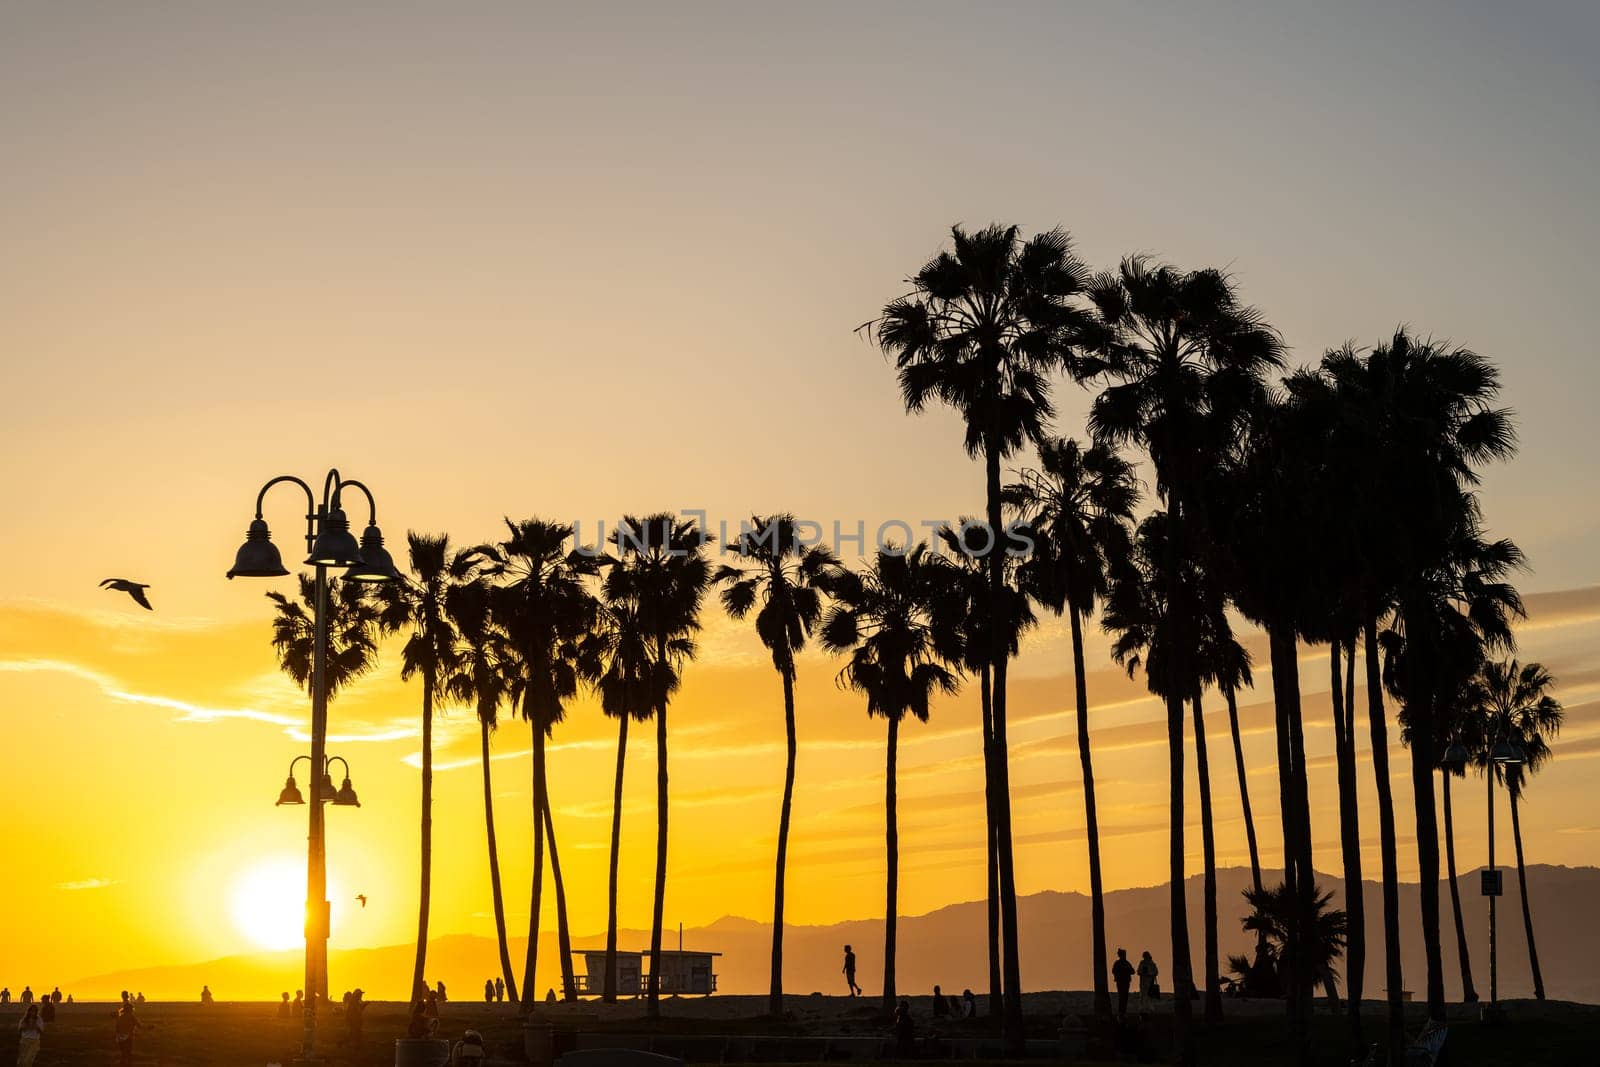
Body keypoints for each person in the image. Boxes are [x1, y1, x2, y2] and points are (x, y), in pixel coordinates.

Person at [115, 1001, 140, 1067]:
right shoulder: (132, 1017)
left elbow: (117, 1028)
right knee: (128, 1053)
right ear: (131, 1010)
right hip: (128, 1037)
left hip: (120, 1038)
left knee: (123, 1053)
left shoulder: (120, 1017)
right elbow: (139, 1025)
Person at [1112, 948, 1136, 1017]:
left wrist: (1126, 969)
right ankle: (1121, 1011)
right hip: (1121, 982)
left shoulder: (1125, 963)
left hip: (1125, 982)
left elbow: (1133, 971)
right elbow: (1114, 971)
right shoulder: (1120, 963)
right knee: (1122, 996)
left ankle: (1123, 1011)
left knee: (1124, 997)